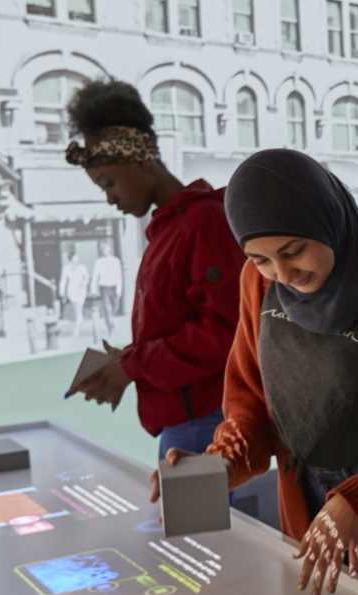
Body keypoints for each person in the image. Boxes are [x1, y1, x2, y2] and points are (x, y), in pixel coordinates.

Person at [163, 148, 358, 595]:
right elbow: (250, 407)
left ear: (327, 221)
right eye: (260, 258)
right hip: (304, 494)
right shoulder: (256, 286)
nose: (283, 275)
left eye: (293, 251)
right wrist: (217, 468)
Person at [60, 79, 243, 460]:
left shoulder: (202, 221)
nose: (110, 198)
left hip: (207, 422)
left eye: (109, 183)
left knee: (199, 523)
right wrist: (128, 359)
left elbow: (225, 330)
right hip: (188, 420)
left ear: (141, 161)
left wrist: (131, 365)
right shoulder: (171, 227)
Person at [92, 241, 125, 333]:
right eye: (103, 250)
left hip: (114, 287)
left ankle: (111, 321)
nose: (105, 252)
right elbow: (95, 275)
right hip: (104, 287)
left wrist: (119, 288)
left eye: (107, 250)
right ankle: (110, 327)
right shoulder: (99, 262)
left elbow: (119, 275)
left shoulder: (115, 261)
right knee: (107, 308)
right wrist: (93, 288)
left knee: (115, 307)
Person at [59, 247, 91, 337]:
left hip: (81, 289)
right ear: (71, 259)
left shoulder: (82, 267)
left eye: (77, 258)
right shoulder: (66, 268)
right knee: (77, 308)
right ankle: (80, 320)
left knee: (78, 308)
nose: (77, 259)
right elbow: (63, 280)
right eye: (75, 258)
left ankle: (76, 330)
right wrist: (62, 291)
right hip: (72, 290)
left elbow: (87, 277)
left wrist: (84, 283)